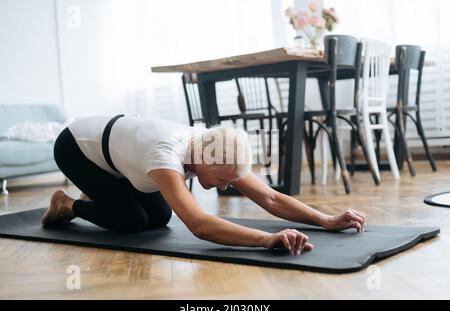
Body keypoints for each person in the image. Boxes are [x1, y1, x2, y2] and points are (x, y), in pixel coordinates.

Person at [42, 114, 366, 256]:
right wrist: (266, 241)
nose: (225, 188)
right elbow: (199, 225)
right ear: (204, 161)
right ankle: (67, 203)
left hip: (120, 155)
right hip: (77, 147)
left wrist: (326, 219)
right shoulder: (166, 155)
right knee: (132, 220)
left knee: (158, 218)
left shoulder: (217, 150)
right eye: (224, 181)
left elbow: (269, 198)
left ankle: (102, 192)